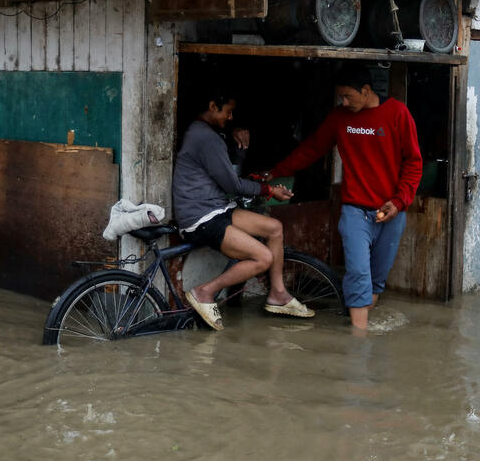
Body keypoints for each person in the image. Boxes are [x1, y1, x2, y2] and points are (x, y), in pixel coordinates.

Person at [262, 64, 422, 332]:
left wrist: (399, 201)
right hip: (354, 211)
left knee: (376, 280)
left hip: (391, 212)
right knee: (359, 274)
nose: (343, 102)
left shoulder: (397, 113)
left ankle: (361, 344)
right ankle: (358, 344)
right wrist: (274, 172)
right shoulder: (339, 118)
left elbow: (414, 163)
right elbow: (311, 149)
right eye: (340, 97)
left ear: (367, 90)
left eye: (348, 96)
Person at [172, 89, 315, 331]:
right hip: (201, 217)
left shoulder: (208, 134)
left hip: (217, 207)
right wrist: (268, 190)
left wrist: (238, 147)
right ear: (213, 106)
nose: (230, 117)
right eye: (228, 111)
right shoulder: (204, 137)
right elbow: (232, 184)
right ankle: (204, 292)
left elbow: (229, 174)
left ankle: (278, 294)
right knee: (263, 257)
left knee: (274, 228)